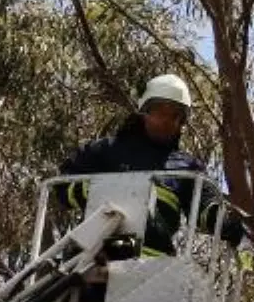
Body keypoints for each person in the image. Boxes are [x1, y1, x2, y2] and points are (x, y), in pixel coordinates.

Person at [57, 74, 244, 264]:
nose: (167, 120)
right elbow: (62, 187)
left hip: (153, 266)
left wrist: (224, 224)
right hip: (96, 254)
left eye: (175, 115)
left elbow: (204, 208)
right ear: (145, 111)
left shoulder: (188, 168)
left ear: (182, 122)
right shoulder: (105, 150)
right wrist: (99, 190)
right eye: (161, 112)